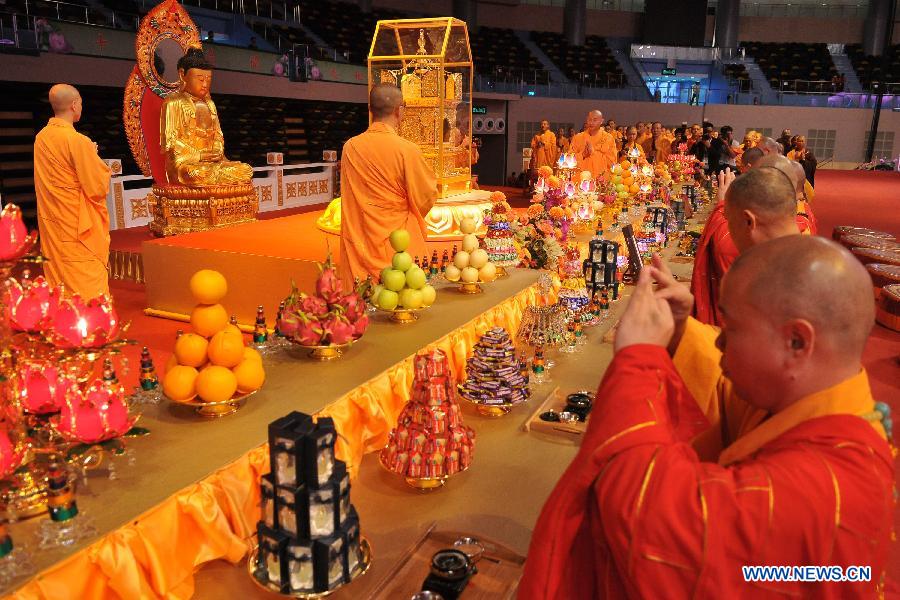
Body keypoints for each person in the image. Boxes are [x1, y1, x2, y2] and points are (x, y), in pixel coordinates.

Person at [519, 236, 892, 599]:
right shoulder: (820, 398)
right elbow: (735, 394)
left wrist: (638, 360)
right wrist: (681, 329)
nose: (719, 341)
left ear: (797, 342)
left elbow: (651, 519)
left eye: (732, 326)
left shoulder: (824, 491)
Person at [338, 85, 437, 287]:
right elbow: (426, 196)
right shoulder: (406, 150)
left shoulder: (350, 147)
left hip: (360, 240)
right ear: (399, 111)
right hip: (397, 243)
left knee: (361, 303)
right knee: (400, 296)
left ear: (370, 109)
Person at [690, 166, 799, 326]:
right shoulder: (805, 251)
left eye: (729, 220)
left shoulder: (772, 283)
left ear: (748, 221)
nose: (728, 229)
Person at [33, 84, 112, 298]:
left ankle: (61, 319)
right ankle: (90, 322)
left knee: (58, 272)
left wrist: (87, 155)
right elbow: (96, 187)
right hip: (76, 223)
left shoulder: (41, 137)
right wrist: (92, 156)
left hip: (52, 219)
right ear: (74, 105)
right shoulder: (78, 141)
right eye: (81, 104)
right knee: (84, 275)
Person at [160, 49, 253, 186]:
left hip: (214, 162)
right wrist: (199, 156)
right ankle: (215, 177)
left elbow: (218, 135)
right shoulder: (173, 102)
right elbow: (171, 144)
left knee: (245, 170)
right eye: (200, 79)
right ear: (182, 75)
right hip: (186, 165)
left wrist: (217, 150)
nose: (205, 84)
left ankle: (217, 176)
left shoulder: (210, 104)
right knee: (196, 174)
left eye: (208, 79)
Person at [569, 110, 617, 179]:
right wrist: (582, 155)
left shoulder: (608, 138)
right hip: (581, 180)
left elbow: (612, 162)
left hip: (601, 180)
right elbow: (569, 160)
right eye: (589, 120)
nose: (591, 123)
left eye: (595, 120)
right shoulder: (578, 137)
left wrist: (594, 153)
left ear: (601, 121)